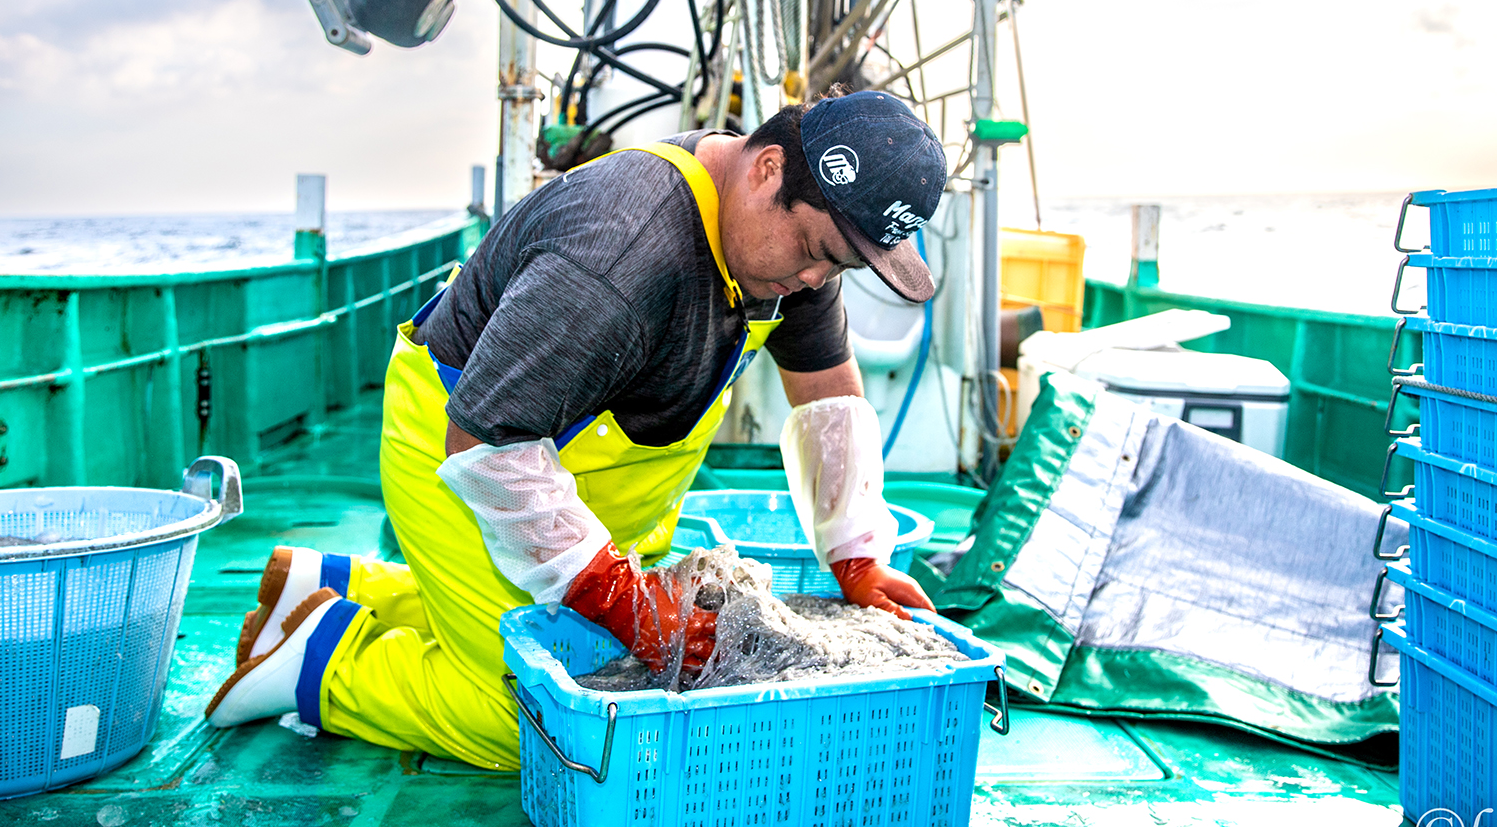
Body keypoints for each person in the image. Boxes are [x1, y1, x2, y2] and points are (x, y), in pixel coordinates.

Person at [203, 89, 949, 768]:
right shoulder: (625, 248)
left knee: (587, 647)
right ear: (767, 169)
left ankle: (336, 583)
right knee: (529, 717)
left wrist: (857, 555)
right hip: (470, 461)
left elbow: (827, 393)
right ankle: (315, 659)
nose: (818, 280)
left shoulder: (791, 251)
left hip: (583, 483)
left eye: (842, 266)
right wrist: (620, 596)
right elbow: (487, 442)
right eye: (820, 253)